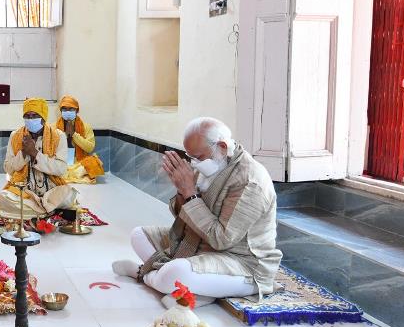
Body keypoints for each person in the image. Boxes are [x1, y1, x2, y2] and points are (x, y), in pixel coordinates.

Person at [112, 117, 282, 306]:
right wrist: (180, 189)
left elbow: (221, 239)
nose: (193, 164)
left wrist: (190, 193)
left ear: (222, 147)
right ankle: (200, 293)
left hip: (240, 261)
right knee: (139, 235)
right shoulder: (212, 162)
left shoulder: (250, 181)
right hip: (197, 243)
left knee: (175, 272)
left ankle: (143, 274)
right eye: (190, 157)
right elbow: (183, 218)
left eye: (198, 157)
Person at [0, 98, 79, 223]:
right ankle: (51, 211)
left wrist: (35, 153)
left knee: (69, 194)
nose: (30, 119)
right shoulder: (16, 136)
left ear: (43, 117)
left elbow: (61, 169)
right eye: (27, 116)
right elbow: (8, 169)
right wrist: (23, 153)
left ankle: (34, 212)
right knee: (2, 199)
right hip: (24, 191)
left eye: (34, 116)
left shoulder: (58, 135)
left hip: (51, 188)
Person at [56, 95, 104, 184]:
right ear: (61, 111)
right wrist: (62, 135)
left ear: (77, 110)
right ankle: (71, 174)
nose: (67, 112)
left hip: (78, 162)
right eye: (65, 109)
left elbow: (90, 148)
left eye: (71, 109)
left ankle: (70, 174)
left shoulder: (86, 127)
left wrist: (74, 134)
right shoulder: (54, 127)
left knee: (95, 162)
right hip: (61, 162)